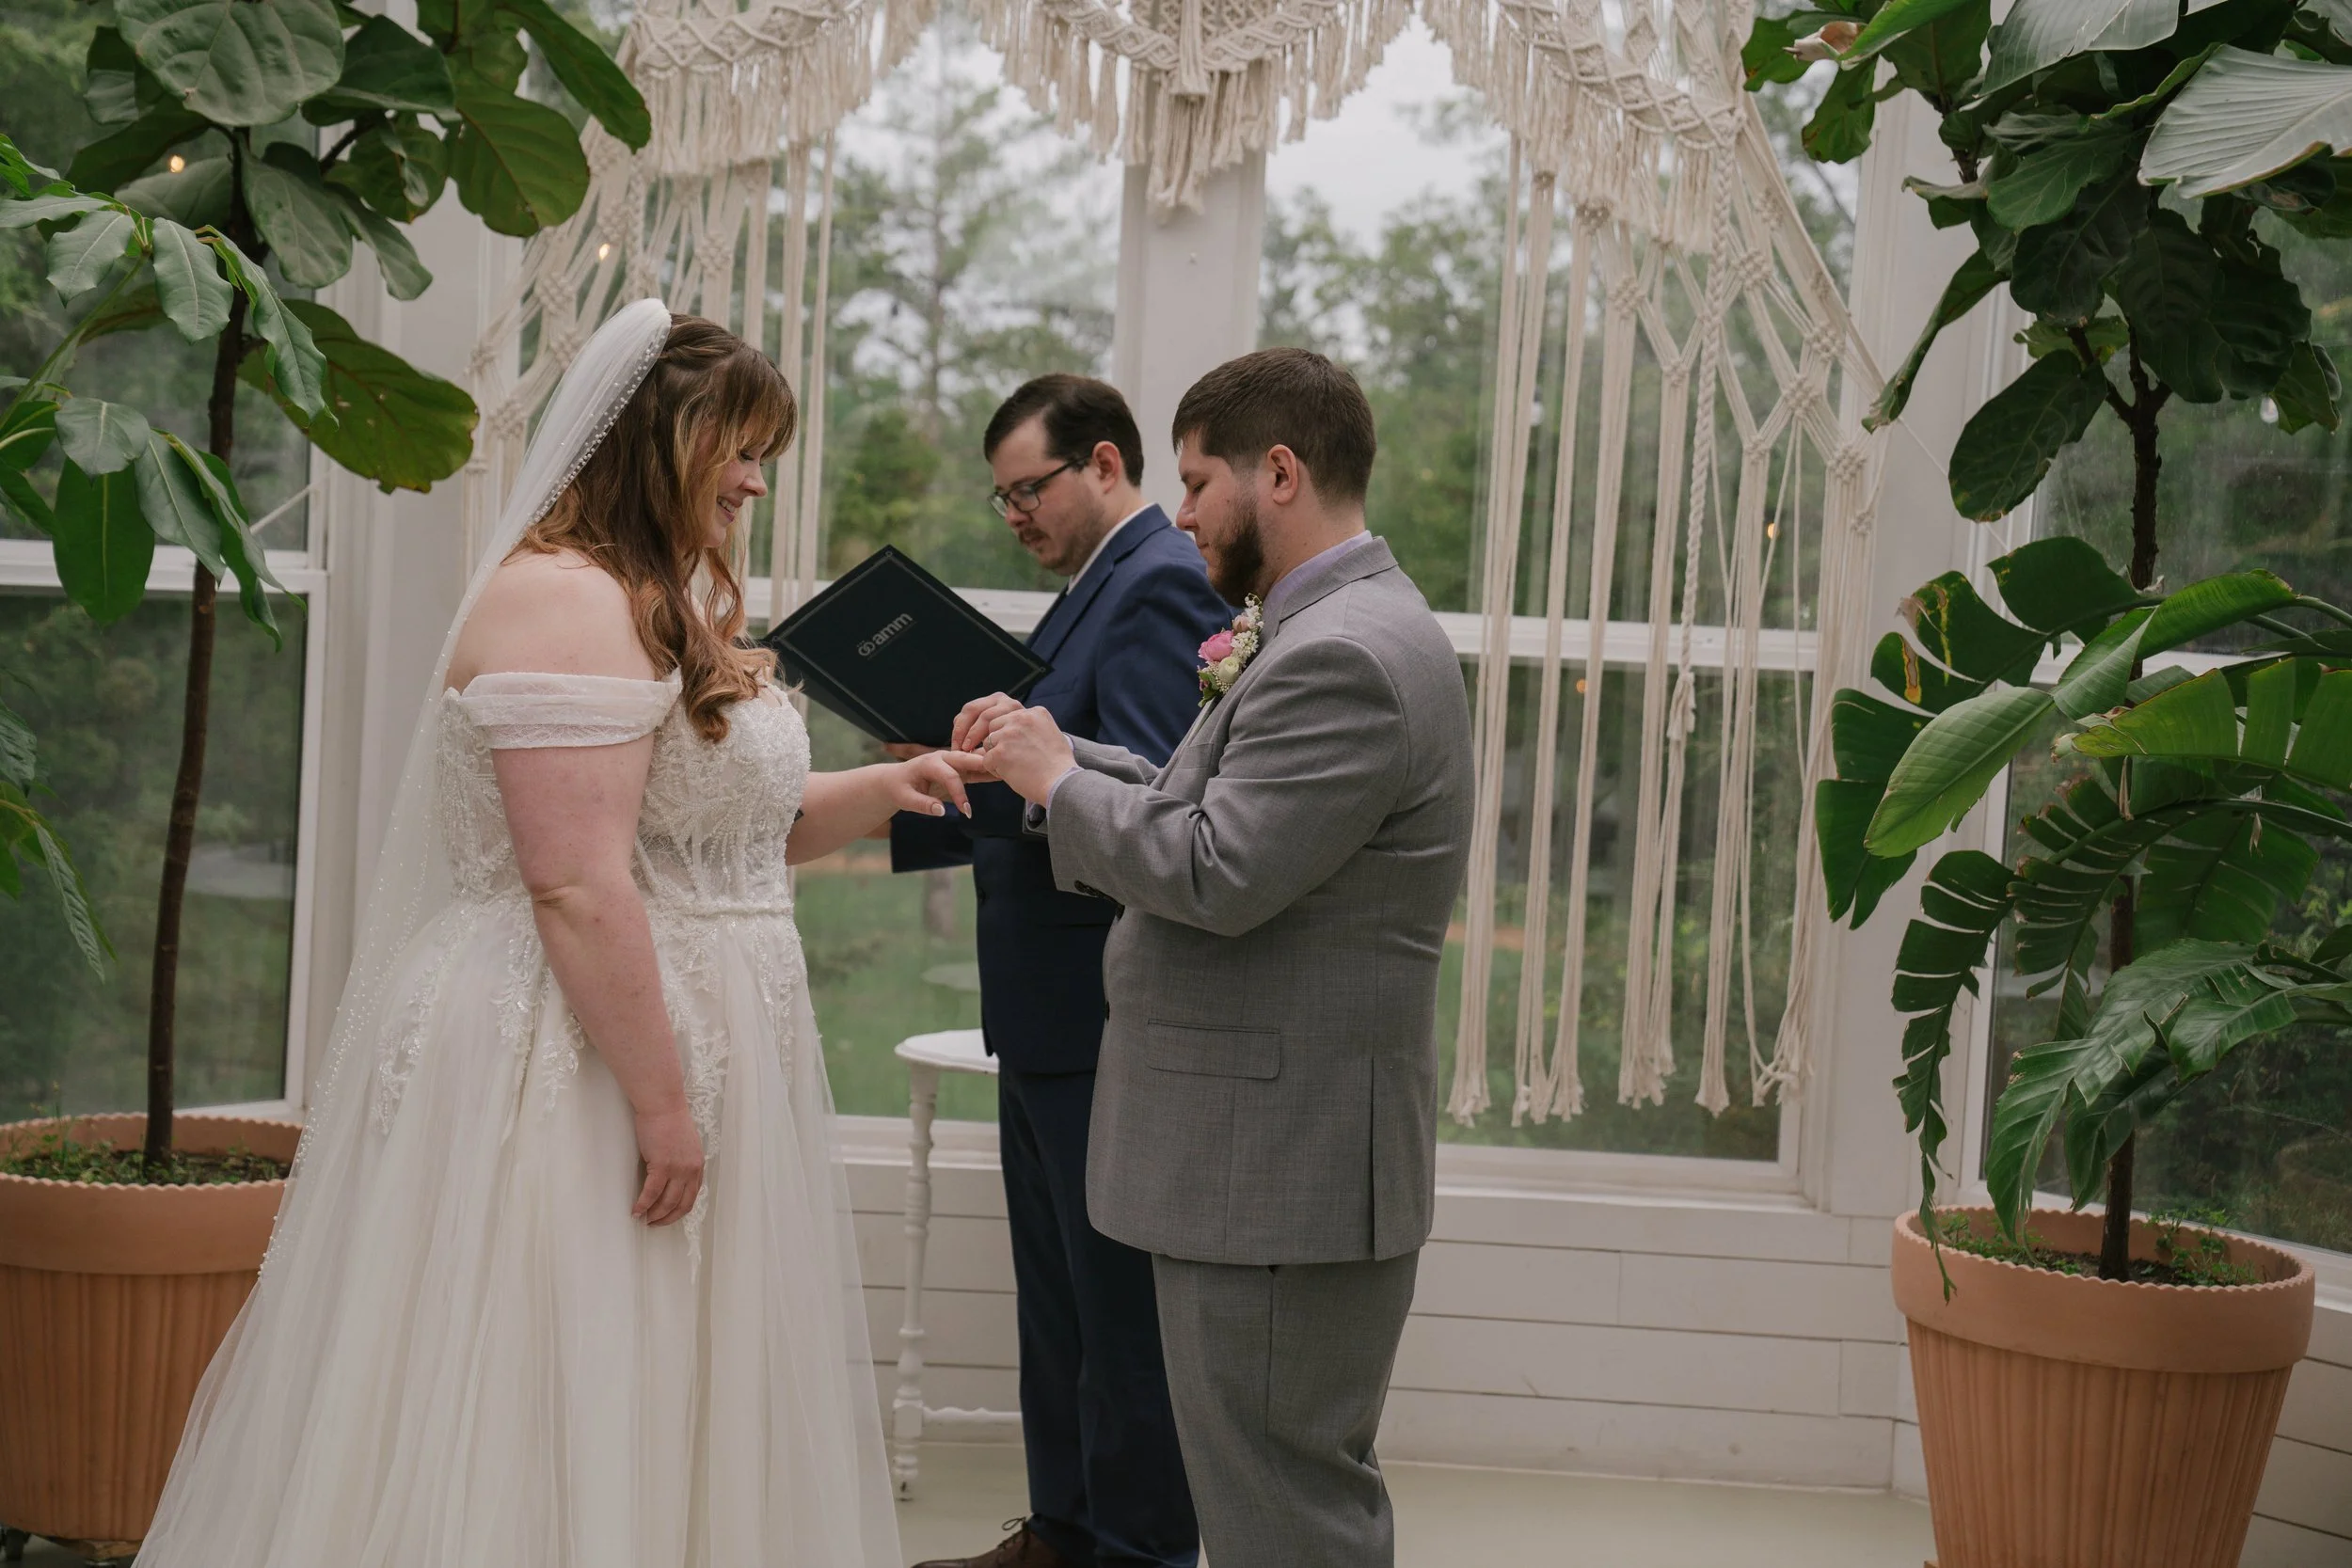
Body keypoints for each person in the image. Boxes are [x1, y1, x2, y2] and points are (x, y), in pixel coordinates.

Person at [138, 304, 955, 1568]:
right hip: (565, 1056)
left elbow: (696, 839)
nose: (751, 479)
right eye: (735, 448)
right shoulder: (566, 604)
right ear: (654, 442)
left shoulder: (645, 593)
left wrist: (886, 791)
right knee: (557, 1374)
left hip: (651, 1029)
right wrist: (665, 1103)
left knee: (660, 1384)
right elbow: (575, 881)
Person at [947, 348, 1474, 1568]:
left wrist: (1057, 777)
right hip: (1267, 1158)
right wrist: (1064, 765)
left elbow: (1215, 872)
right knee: (1261, 1501)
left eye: (1195, 483)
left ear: (1277, 472)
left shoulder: (1345, 654)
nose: (1177, 515)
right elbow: (1212, 806)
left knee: (1284, 1515)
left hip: (1281, 1166)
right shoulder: (1328, 627)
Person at [890, 375, 1228, 1568]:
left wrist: (990, 781)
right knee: (1057, 1304)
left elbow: (1134, 793)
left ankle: (1131, 1548)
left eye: (1026, 489)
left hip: (1103, 1009)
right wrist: (923, 777)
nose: (1015, 515)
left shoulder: (1156, 584)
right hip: (1042, 1010)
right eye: (1000, 500)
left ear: (1100, 462)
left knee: (1115, 1313)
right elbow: (1040, 784)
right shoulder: (1093, 590)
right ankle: (1062, 1529)